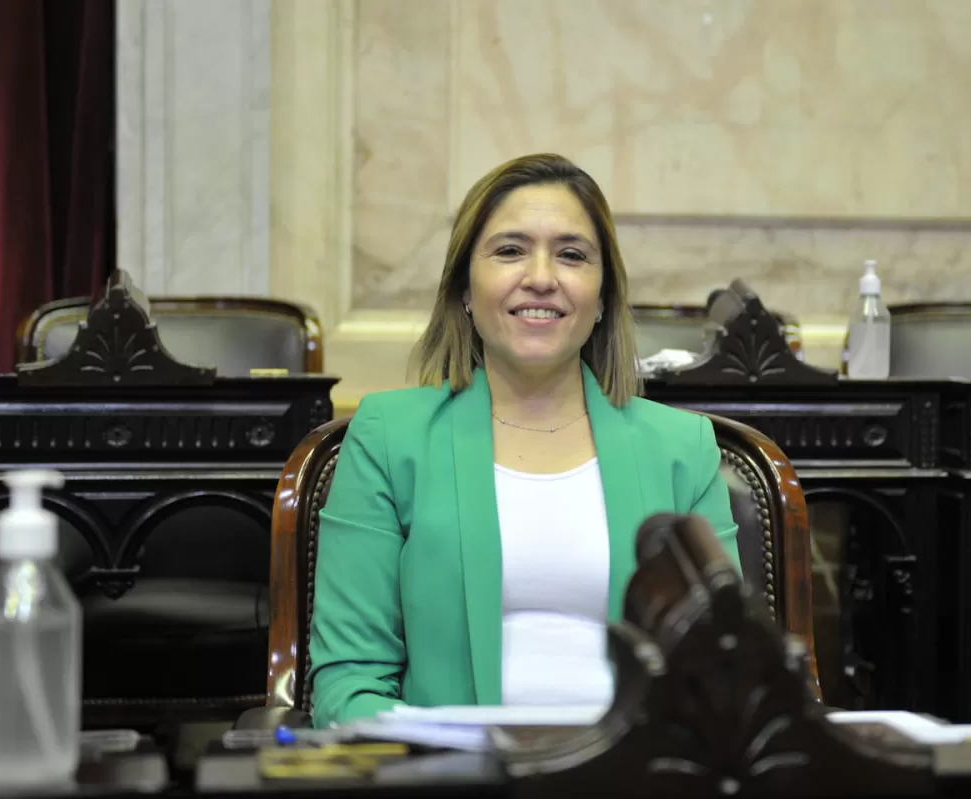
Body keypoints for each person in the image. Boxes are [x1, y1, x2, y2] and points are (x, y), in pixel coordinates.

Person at [308, 153, 739, 727]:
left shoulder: (683, 447)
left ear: (603, 295)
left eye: (571, 255)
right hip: (455, 780)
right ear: (464, 286)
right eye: (510, 250)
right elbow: (349, 681)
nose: (541, 276)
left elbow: (724, 671)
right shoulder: (390, 437)